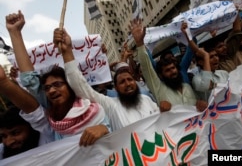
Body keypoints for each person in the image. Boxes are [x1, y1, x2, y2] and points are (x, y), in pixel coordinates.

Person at [6, 10, 110, 146]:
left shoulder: (94, 110)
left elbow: (114, 140)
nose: (52, 91)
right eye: (47, 88)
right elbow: (30, 80)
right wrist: (15, 33)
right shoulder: (51, 124)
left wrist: (103, 129)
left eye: (58, 84)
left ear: (70, 87)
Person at [53, 28, 160, 131]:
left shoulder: (147, 100)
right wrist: (67, 52)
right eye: (122, 82)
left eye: (130, 79)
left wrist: (165, 109)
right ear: (116, 88)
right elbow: (81, 88)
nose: (128, 84)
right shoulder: (111, 105)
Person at [129, 19, 207, 112]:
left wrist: (202, 104)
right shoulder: (159, 89)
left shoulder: (188, 87)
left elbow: (203, 104)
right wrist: (140, 44)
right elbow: (147, 67)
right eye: (167, 70)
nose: (172, 72)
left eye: (173, 68)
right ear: (161, 75)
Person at [182, 22, 229, 101]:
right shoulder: (196, 80)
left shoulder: (224, 74)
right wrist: (205, 56)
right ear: (200, 62)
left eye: (216, 55)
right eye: (211, 57)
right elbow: (208, 85)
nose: (216, 59)